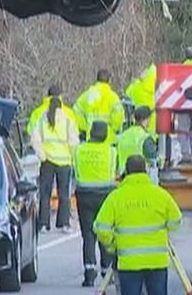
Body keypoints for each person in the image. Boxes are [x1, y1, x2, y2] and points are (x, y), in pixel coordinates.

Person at [94, 155, 183, 295]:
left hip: (129, 262)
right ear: (146, 171)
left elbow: (101, 228)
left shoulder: (116, 197)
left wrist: (113, 245)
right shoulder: (160, 195)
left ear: (126, 172)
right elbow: (176, 221)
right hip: (157, 261)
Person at [74, 121, 117, 287]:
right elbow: (117, 171)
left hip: (84, 194)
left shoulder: (79, 150)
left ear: (91, 133)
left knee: (88, 234)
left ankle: (89, 274)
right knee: (104, 232)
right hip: (105, 195)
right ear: (106, 134)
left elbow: (75, 170)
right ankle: (106, 271)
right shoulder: (111, 151)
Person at [31, 95, 78, 233]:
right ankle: (64, 223)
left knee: (45, 193)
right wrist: (71, 156)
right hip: (64, 161)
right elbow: (73, 142)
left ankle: (44, 223)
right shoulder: (68, 120)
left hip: (48, 161)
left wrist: (42, 155)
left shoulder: (42, 120)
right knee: (64, 193)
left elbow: (35, 140)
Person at [75, 69, 126, 144]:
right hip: (108, 138)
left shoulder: (86, 95)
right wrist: (113, 129)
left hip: (90, 136)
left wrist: (85, 127)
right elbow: (119, 116)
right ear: (109, 80)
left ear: (97, 79)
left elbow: (76, 111)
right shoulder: (113, 97)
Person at [116, 105, 159, 175]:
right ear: (146, 119)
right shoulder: (145, 137)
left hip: (123, 175)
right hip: (140, 176)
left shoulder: (123, 135)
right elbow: (153, 158)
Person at [124, 64, 157, 132]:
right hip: (156, 127)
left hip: (140, 125)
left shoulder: (136, 86)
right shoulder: (160, 87)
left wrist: (138, 80)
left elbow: (127, 93)